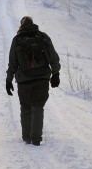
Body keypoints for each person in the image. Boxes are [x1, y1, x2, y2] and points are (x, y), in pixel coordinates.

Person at [5, 15, 60, 146]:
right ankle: (36, 138)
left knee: (26, 108)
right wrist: (55, 74)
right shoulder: (43, 37)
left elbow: (12, 63)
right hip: (42, 78)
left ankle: (26, 137)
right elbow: (53, 57)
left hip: (24, 81)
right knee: (38, 107)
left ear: (21, 26)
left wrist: (9, 80)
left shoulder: (17, 40)